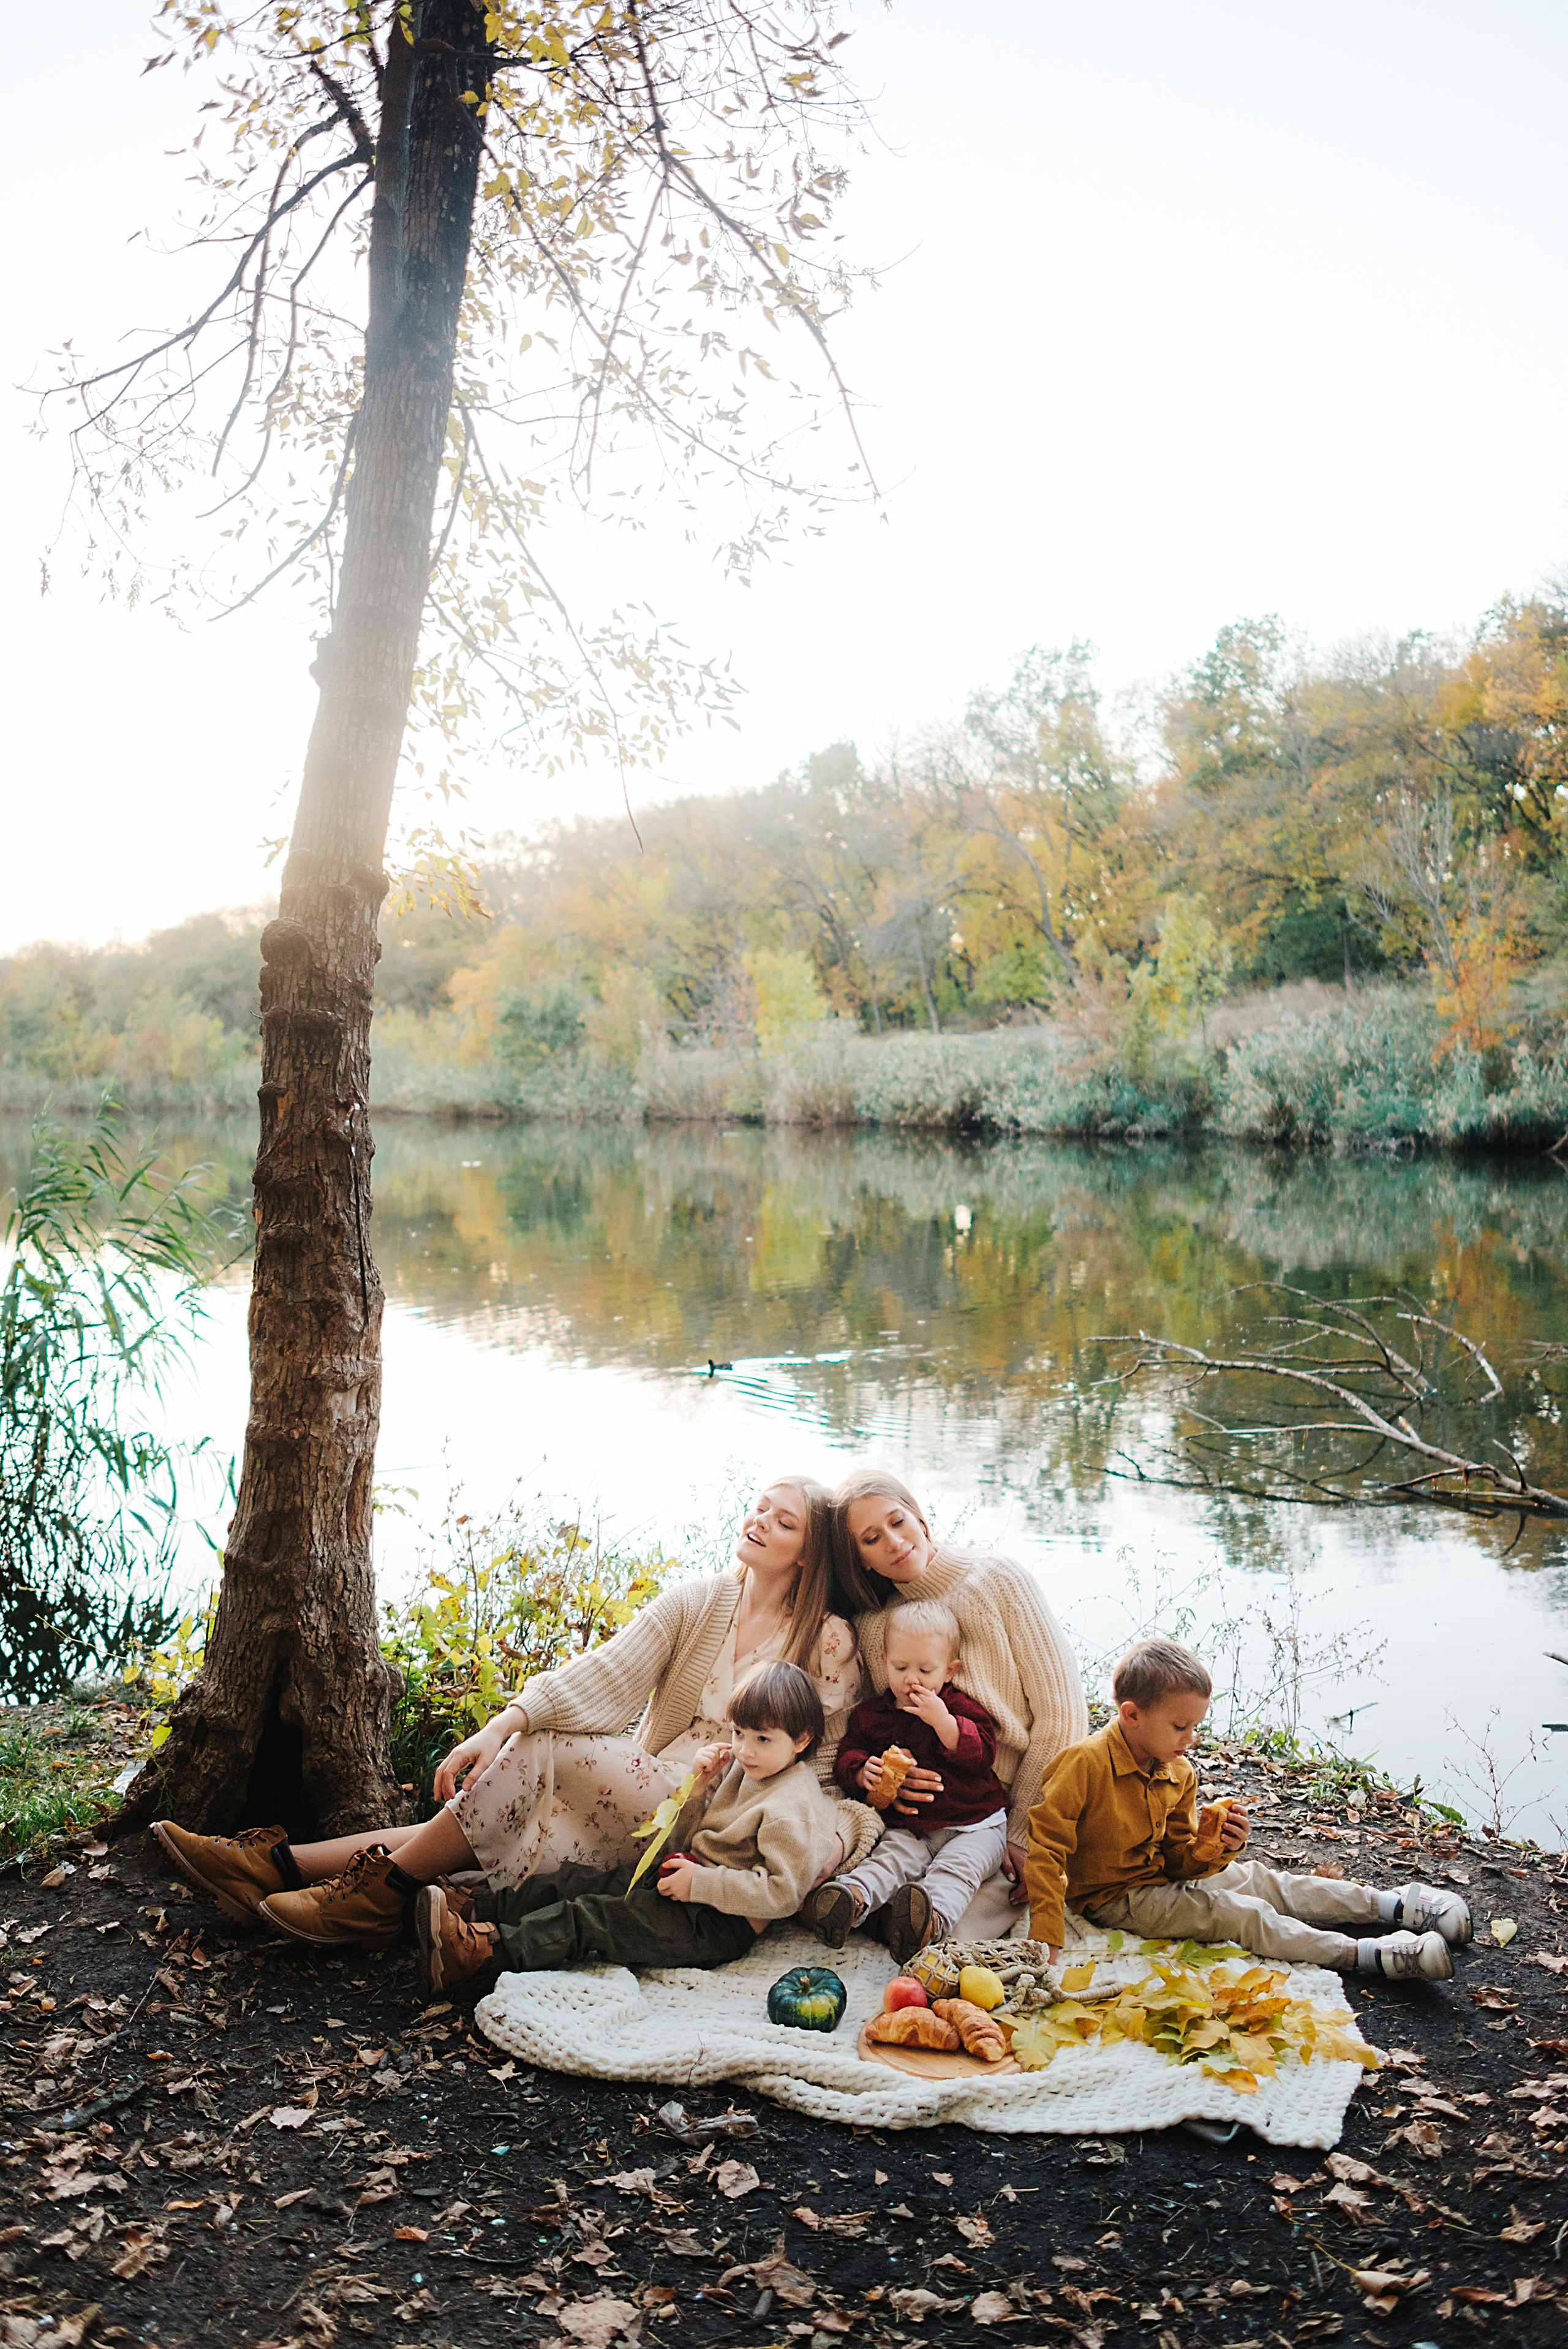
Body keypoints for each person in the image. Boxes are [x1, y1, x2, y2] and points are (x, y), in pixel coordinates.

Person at [151, 1477, 878, 1949]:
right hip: (648, 1786)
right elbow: (606, 1671)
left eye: (781, 1523)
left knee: (540, 1756)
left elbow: (824, 1764)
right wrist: (502, 1723)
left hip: (716, 1815)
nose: (759, 1522)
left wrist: (831, 1840)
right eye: (758, 1506)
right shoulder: (701, 1598)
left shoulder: (828, 1640)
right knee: (486, 1812)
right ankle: (273, 1867)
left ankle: (373, 1895)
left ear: (809, 1556)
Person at [1023, 1638, 1472, 1979]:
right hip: (1117, 1897)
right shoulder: (1084, 1763)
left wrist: (1213, 1849)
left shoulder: (1178, 1772)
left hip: (1162, 1873)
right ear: (1131, 1714)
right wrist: (1046, 1929)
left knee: (1264, 1881)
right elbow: (1046, 1847)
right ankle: (1362, 1954)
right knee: (1240, 1914)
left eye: (1196, 1726)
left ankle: (1392, 1906)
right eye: (1181, 1725)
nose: (1191, 1738)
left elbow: (1180, 1858)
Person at [413, 1662, 843, 1996]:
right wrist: (697, 1789)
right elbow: (686, 1840)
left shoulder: (793, 1805)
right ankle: (473, 1910)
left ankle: (479, 1953)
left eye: (762, 1739)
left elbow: (783, 1893)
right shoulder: (748, 1769)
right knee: (581, 1882)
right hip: (688, 1878)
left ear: (802, 1739)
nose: (745, 1749)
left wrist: (702, 1884)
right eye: (738, 1732)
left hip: (717, 1922)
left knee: (595, 1918)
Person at [828, 1468, 1088, 1931]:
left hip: (1018, 1801)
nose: (892, 1541)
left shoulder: (997, 1580)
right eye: (871, 1538)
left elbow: (1063, 1717)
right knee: (895, 1884)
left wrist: (1025, 1831)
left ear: (921, 1519)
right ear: (861, 1559)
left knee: (970, 1913)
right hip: (928, 1816)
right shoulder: (876, 1628)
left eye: (898, 1520)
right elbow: (877, 1728)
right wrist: (890, 1782)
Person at [811, 1597, 1011, 1961]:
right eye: (900, 1667)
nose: (912, 1679)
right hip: (909, 1826)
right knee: (890, 1858)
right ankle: (848, 1901)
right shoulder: (874, 1715)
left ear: (950, 1671)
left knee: (957, 1871)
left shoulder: (961, 1709)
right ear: (884, 1662)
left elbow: (983, 1755)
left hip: (977, 1824)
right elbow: (848, 1754)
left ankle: (927, 1920)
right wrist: (861, 1771)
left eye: (926, 1670)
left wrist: (945, 1723)